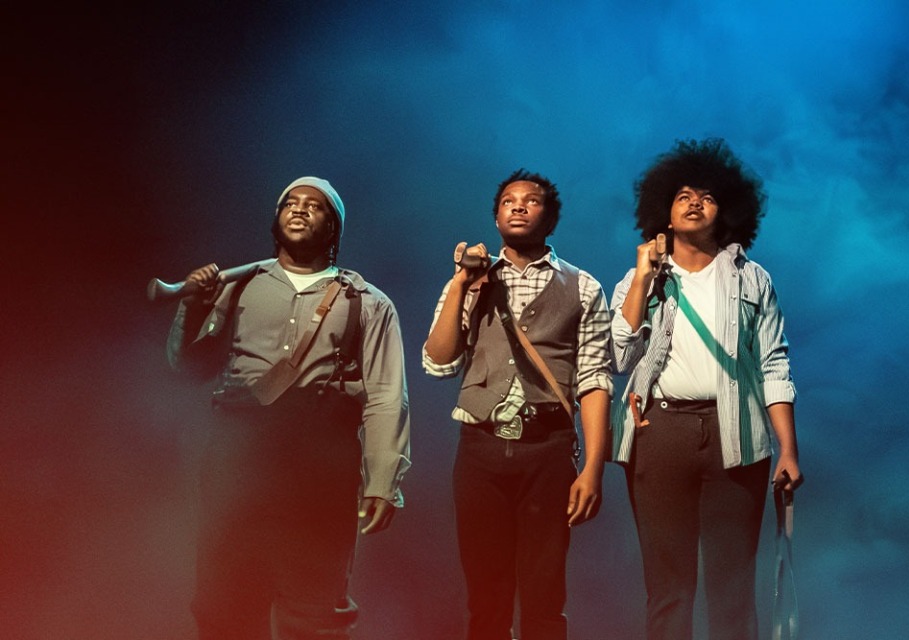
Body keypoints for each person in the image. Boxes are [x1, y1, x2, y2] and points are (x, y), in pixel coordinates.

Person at [166, 177, 411, 640]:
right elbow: (187, 369)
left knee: (315, 606)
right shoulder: (236, 289)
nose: (299, 210)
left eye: (314, 206)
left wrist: (383, 480)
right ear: (276, 220)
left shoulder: (366, 301)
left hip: (321, 461)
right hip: (237, 455)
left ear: (333, 227)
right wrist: (193, 307)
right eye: (289, 204)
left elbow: (385, 393)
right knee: (224, 601)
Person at [609, 139, 803, 640]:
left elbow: (774, 364)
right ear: (665, 215)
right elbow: (619, 357)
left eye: (708, 196)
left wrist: (788, 449)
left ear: (727, 212)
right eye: (683, 196)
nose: (695, 201)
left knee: (732, 585)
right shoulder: (640, 279)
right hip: (661, 433)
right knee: (668, 585)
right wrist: (641, 280)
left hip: (735, 434)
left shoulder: (753, 279)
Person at [423, 169, 613, 640]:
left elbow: (593, 380)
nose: (519, 206)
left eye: (531, 201)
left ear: (551, 219)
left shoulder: (583, 287)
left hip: (547, 451)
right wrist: (462, 284)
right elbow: (439, 361)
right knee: (486, 597)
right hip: (480, 450)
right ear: (496, 216)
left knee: (545, 597)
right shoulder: (471, 279)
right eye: (508, 201)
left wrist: (592, 468)